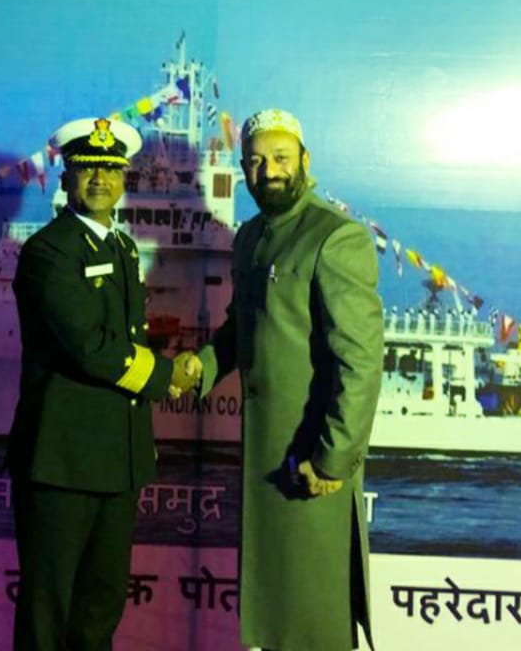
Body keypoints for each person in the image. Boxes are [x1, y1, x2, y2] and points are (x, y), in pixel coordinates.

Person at [193, 108, 385, 650]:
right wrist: (202, 366)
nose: (267, 171)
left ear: (305, 160)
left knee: (314, 621)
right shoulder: (251, 237)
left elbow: (361, 361)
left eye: (280, 158)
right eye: (254, 161)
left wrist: (333, 457)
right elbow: (242, 327)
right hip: (264, 462)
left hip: (311, 458)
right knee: (277, 620)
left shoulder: (335, 237)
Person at [7, 115, 198, 651]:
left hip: (118, 460)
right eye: (87, 168)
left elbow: (122, 338)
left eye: (111, 171)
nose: (99, 180)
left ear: (124, 180)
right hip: (61, 460)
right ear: (66, 177)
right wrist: (168, 376)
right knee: (49, 609)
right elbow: (91, 348)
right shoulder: (50, 251)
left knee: (101, 606)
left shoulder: (122, 247)